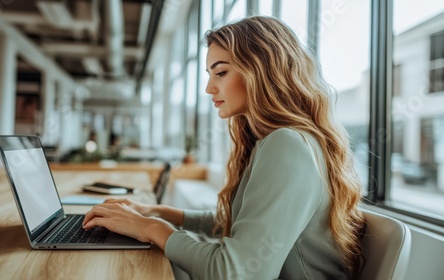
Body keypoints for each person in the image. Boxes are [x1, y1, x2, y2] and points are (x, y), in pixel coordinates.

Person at [83, 16, 365, 279]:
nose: (209, 87)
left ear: (259, 70)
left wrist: (151, 228)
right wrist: (156, 213)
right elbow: (241, 222)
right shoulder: (276, 141)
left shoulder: (287, 145)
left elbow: (238, 272)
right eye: (209, 73)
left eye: (220, 72)